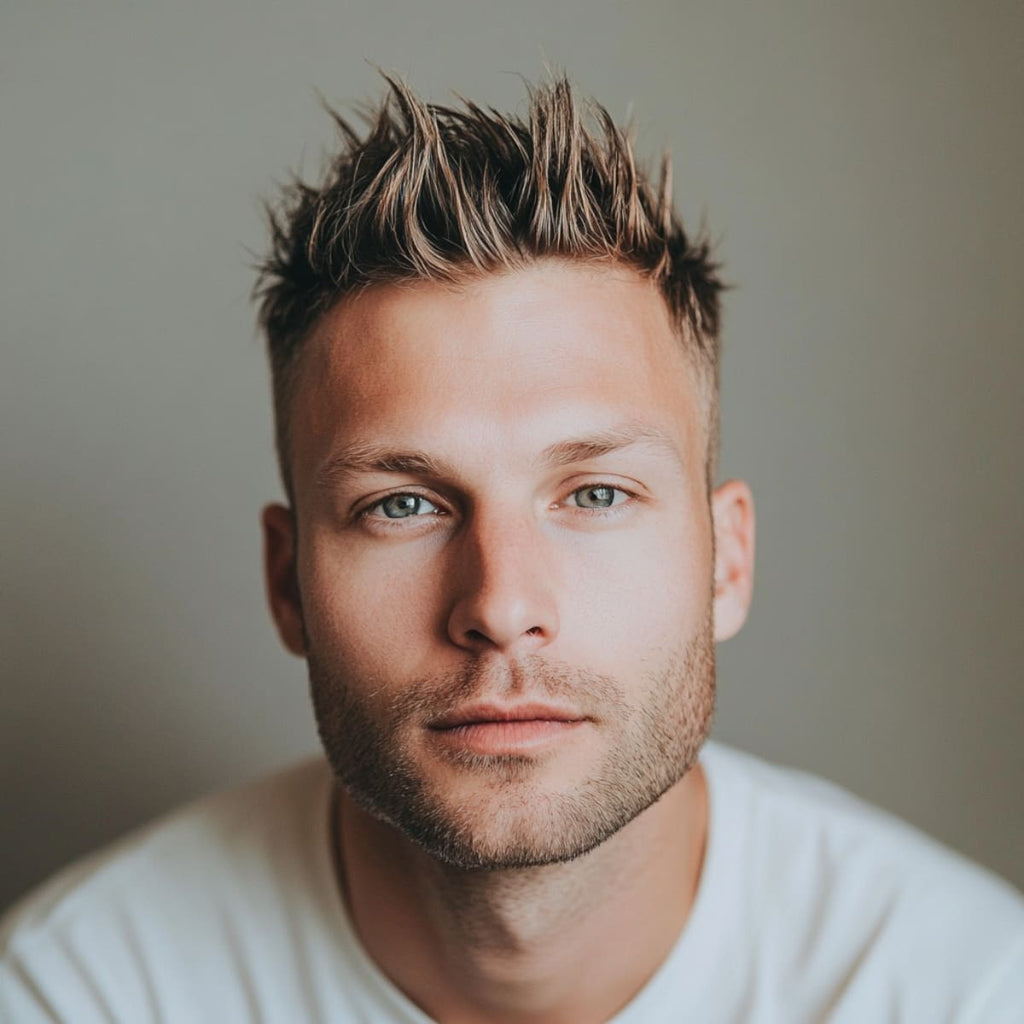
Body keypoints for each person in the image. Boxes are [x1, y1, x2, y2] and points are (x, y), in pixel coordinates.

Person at [1, 76, 1021, 1024]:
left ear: (726, 561)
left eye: (595, 492)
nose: (499, 601)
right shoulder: (79, 992)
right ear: (287, 584)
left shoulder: (961, 988)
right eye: (401, 504)